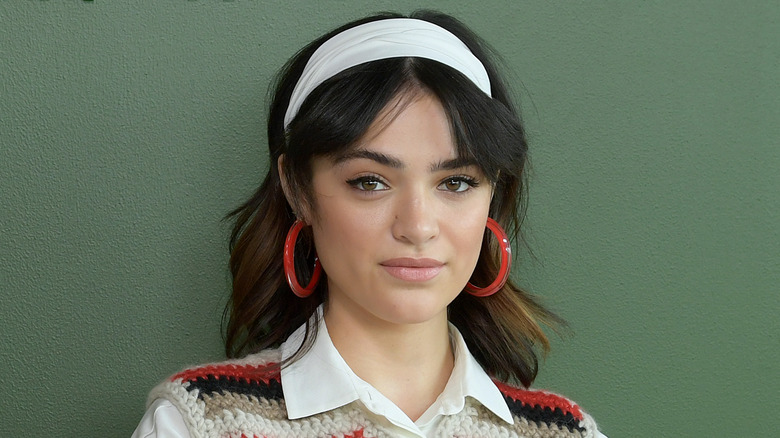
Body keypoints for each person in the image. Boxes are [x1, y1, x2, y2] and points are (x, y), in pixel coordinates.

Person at [132, 10, 607, 438]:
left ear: (493, 196)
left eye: (457, 182)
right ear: (298, 189)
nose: (417, 226)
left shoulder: (566, 433)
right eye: (370, 182)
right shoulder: (196, 423)